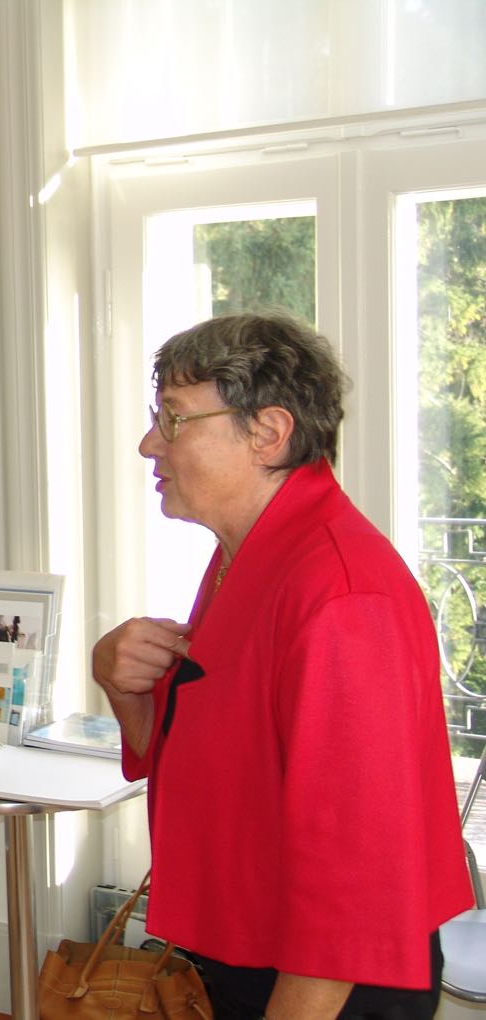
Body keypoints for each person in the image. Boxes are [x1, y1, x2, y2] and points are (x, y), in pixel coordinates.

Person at [91, 312, 473, 1019]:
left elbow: (356, 879)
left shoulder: (339, 592)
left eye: (173, 420)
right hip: (253, 944)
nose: (150, 443)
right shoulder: (245, 557)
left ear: (268, 433)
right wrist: (124, 687)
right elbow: (196, 767)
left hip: (327, 978)